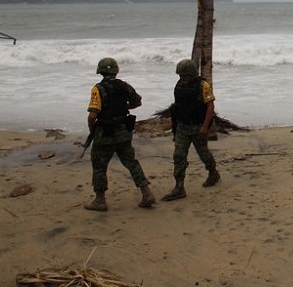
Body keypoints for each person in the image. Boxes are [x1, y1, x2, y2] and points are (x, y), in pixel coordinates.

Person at [84, 57, 155, 211]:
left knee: (99, 166)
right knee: (131, 162)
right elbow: (138, 102)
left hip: (105, 134)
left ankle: (100, 200)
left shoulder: (98, 89)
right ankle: (146, 192)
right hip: (123, 132)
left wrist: (92, 130)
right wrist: (124, 107)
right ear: (115, 70)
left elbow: (92, 115)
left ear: (100, 71)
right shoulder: (125, 86)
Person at [162, 59, 221, 201]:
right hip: (182, 127)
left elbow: (210, 107)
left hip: (197, 126)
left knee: (204, 154)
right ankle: (179, 187)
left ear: (192, 74)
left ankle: (213, 173)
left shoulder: (203, 86)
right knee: (179, 155)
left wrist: (205, 127)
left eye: (185, 75)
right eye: (181, 75)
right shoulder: (179, 85)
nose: (183, 78)